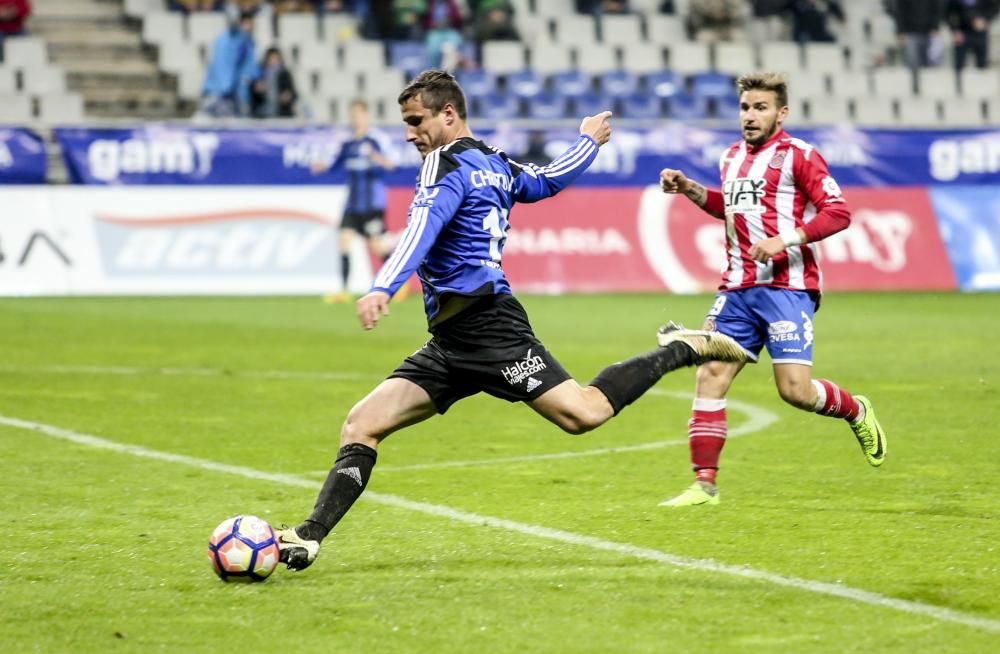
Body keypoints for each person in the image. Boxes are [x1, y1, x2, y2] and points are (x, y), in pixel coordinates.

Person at [275, 69, 750, 570]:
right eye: (406, 124)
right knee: (362, 423)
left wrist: (382, 286)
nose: (410, 133)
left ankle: (683, 348)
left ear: (449, 113)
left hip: (490, 328)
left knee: (584, 413)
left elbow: (421, 227)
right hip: (452, 340)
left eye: (417, 121)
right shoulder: (494, 162)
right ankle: (309, 536)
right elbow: (545, 181)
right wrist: (587, 142)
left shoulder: (445, 162)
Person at [656, 71, 887, 507]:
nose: (750, 116)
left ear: (782, 113)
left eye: (760, 108)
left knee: (794, 391)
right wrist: (688, 189)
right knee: (711, 375)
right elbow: (730, 208)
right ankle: (704, 485)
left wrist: (786, 239)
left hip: (787, 287)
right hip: (738, 286)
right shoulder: (730, 158)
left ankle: (856, 409)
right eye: (745, 107)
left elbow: (838, 213)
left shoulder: (800, 155)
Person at [312, 98, 396, 303]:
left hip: (372, 204)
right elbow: (336, 164)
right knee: (344, 241)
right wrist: (322, 167)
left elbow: (392, 165)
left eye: (359, 114)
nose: (355, 119)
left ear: (366, 115)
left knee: (378, 247)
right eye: (353, 115)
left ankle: (395, 286)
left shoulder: (376, 140)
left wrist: (376, 157)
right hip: (352, 204)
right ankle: (344, 290)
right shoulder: (348, 144)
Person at [197, 12, 258, 118]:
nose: (249, 27)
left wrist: (251, 78)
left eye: (251, 24)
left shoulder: (248, 42)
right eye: (246, 24)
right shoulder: (225, 40)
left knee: (238, 124)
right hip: (220, 91)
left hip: (236, 92)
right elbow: (221, 65)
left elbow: (249, 67)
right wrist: (224, 88)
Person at [946, 0, 1000, 70]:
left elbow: (994, 8)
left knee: (982, 66)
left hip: (980, 34)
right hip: (962, 33)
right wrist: (955, 30)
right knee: (959, 66)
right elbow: (948, 13)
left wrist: (984, 20)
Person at [249, 46, 297, 118]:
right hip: (263, 114)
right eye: (271, 58)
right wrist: (256, 89)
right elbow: (252, 91)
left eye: (276, 58)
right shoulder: (260, 72)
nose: (274, 61)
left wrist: (288, 96)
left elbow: (293, 94)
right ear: (267, 59)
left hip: (282, 114)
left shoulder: (285, 74)